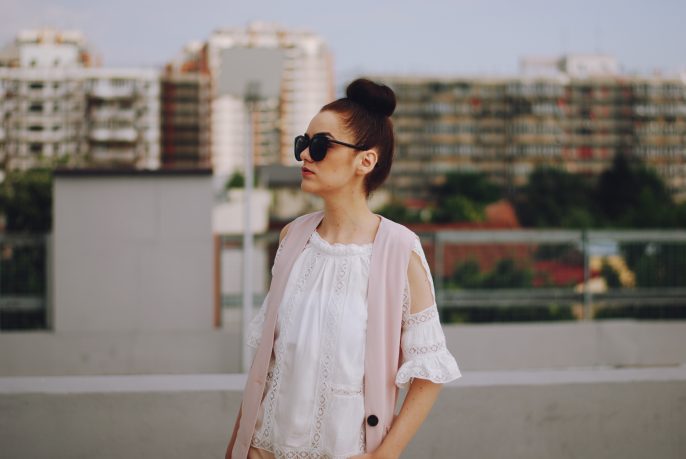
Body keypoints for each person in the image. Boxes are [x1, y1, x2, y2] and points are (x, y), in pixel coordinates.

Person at [226, 78, 462, 459]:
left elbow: (428, 373)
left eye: (320, 146)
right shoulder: (293, 238)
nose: (305, 156)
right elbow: (269, 365)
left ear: (365, 160)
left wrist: (383, 456)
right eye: (303, 143)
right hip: (264, 449)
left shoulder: (399, 251)